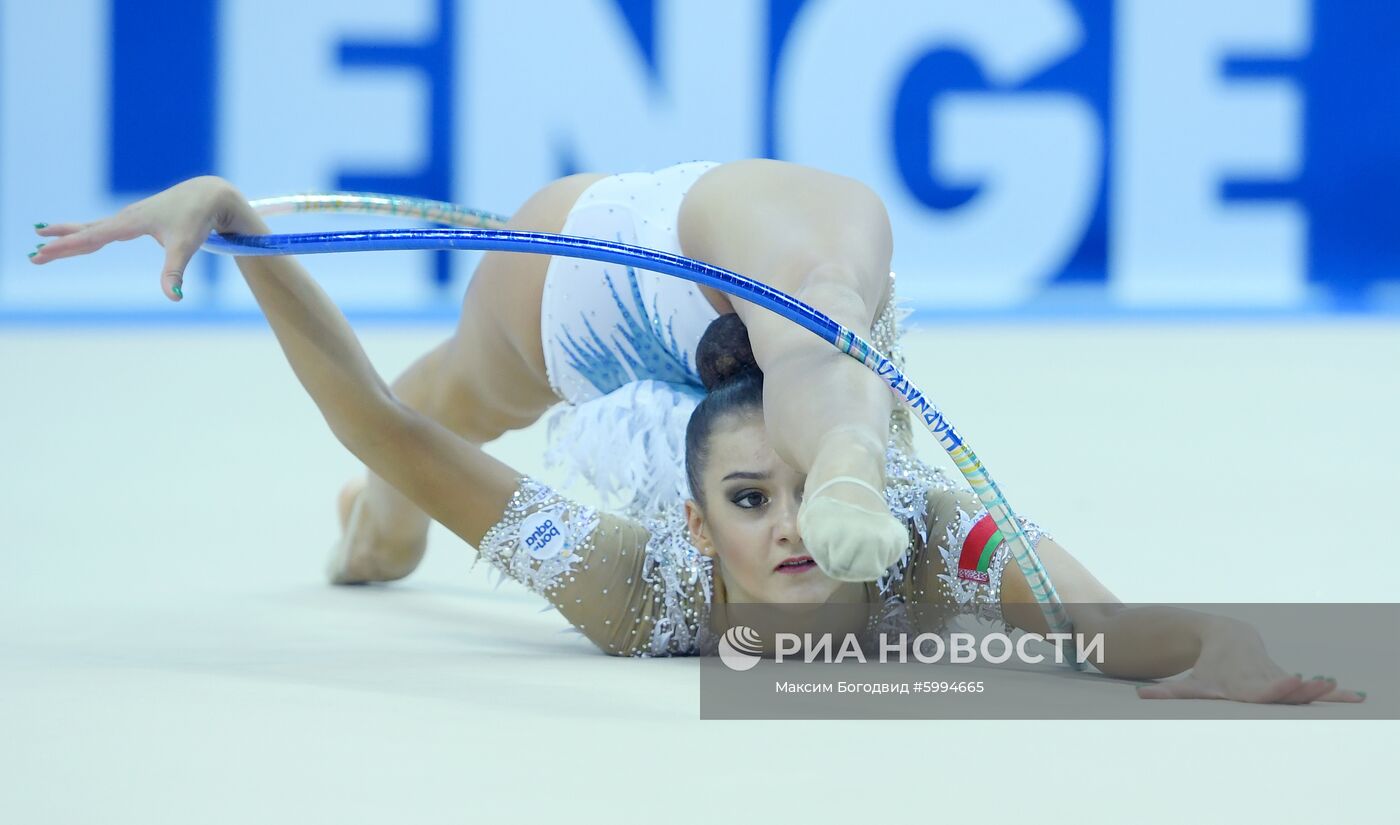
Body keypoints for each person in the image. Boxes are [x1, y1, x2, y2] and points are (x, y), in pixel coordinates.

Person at [30, 175, 1363, 703]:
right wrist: (238, 221)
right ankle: (371, 525)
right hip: (599, 287)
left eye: (789, 500)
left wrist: (1227, 652)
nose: (783, 534)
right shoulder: (647, 592)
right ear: (692, 523)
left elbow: (1115, 627)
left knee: (824, 319)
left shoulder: (889, 539)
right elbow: (377, 415)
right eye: (749, 500)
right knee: (416, 446)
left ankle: (832, 402)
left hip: (788, 317)